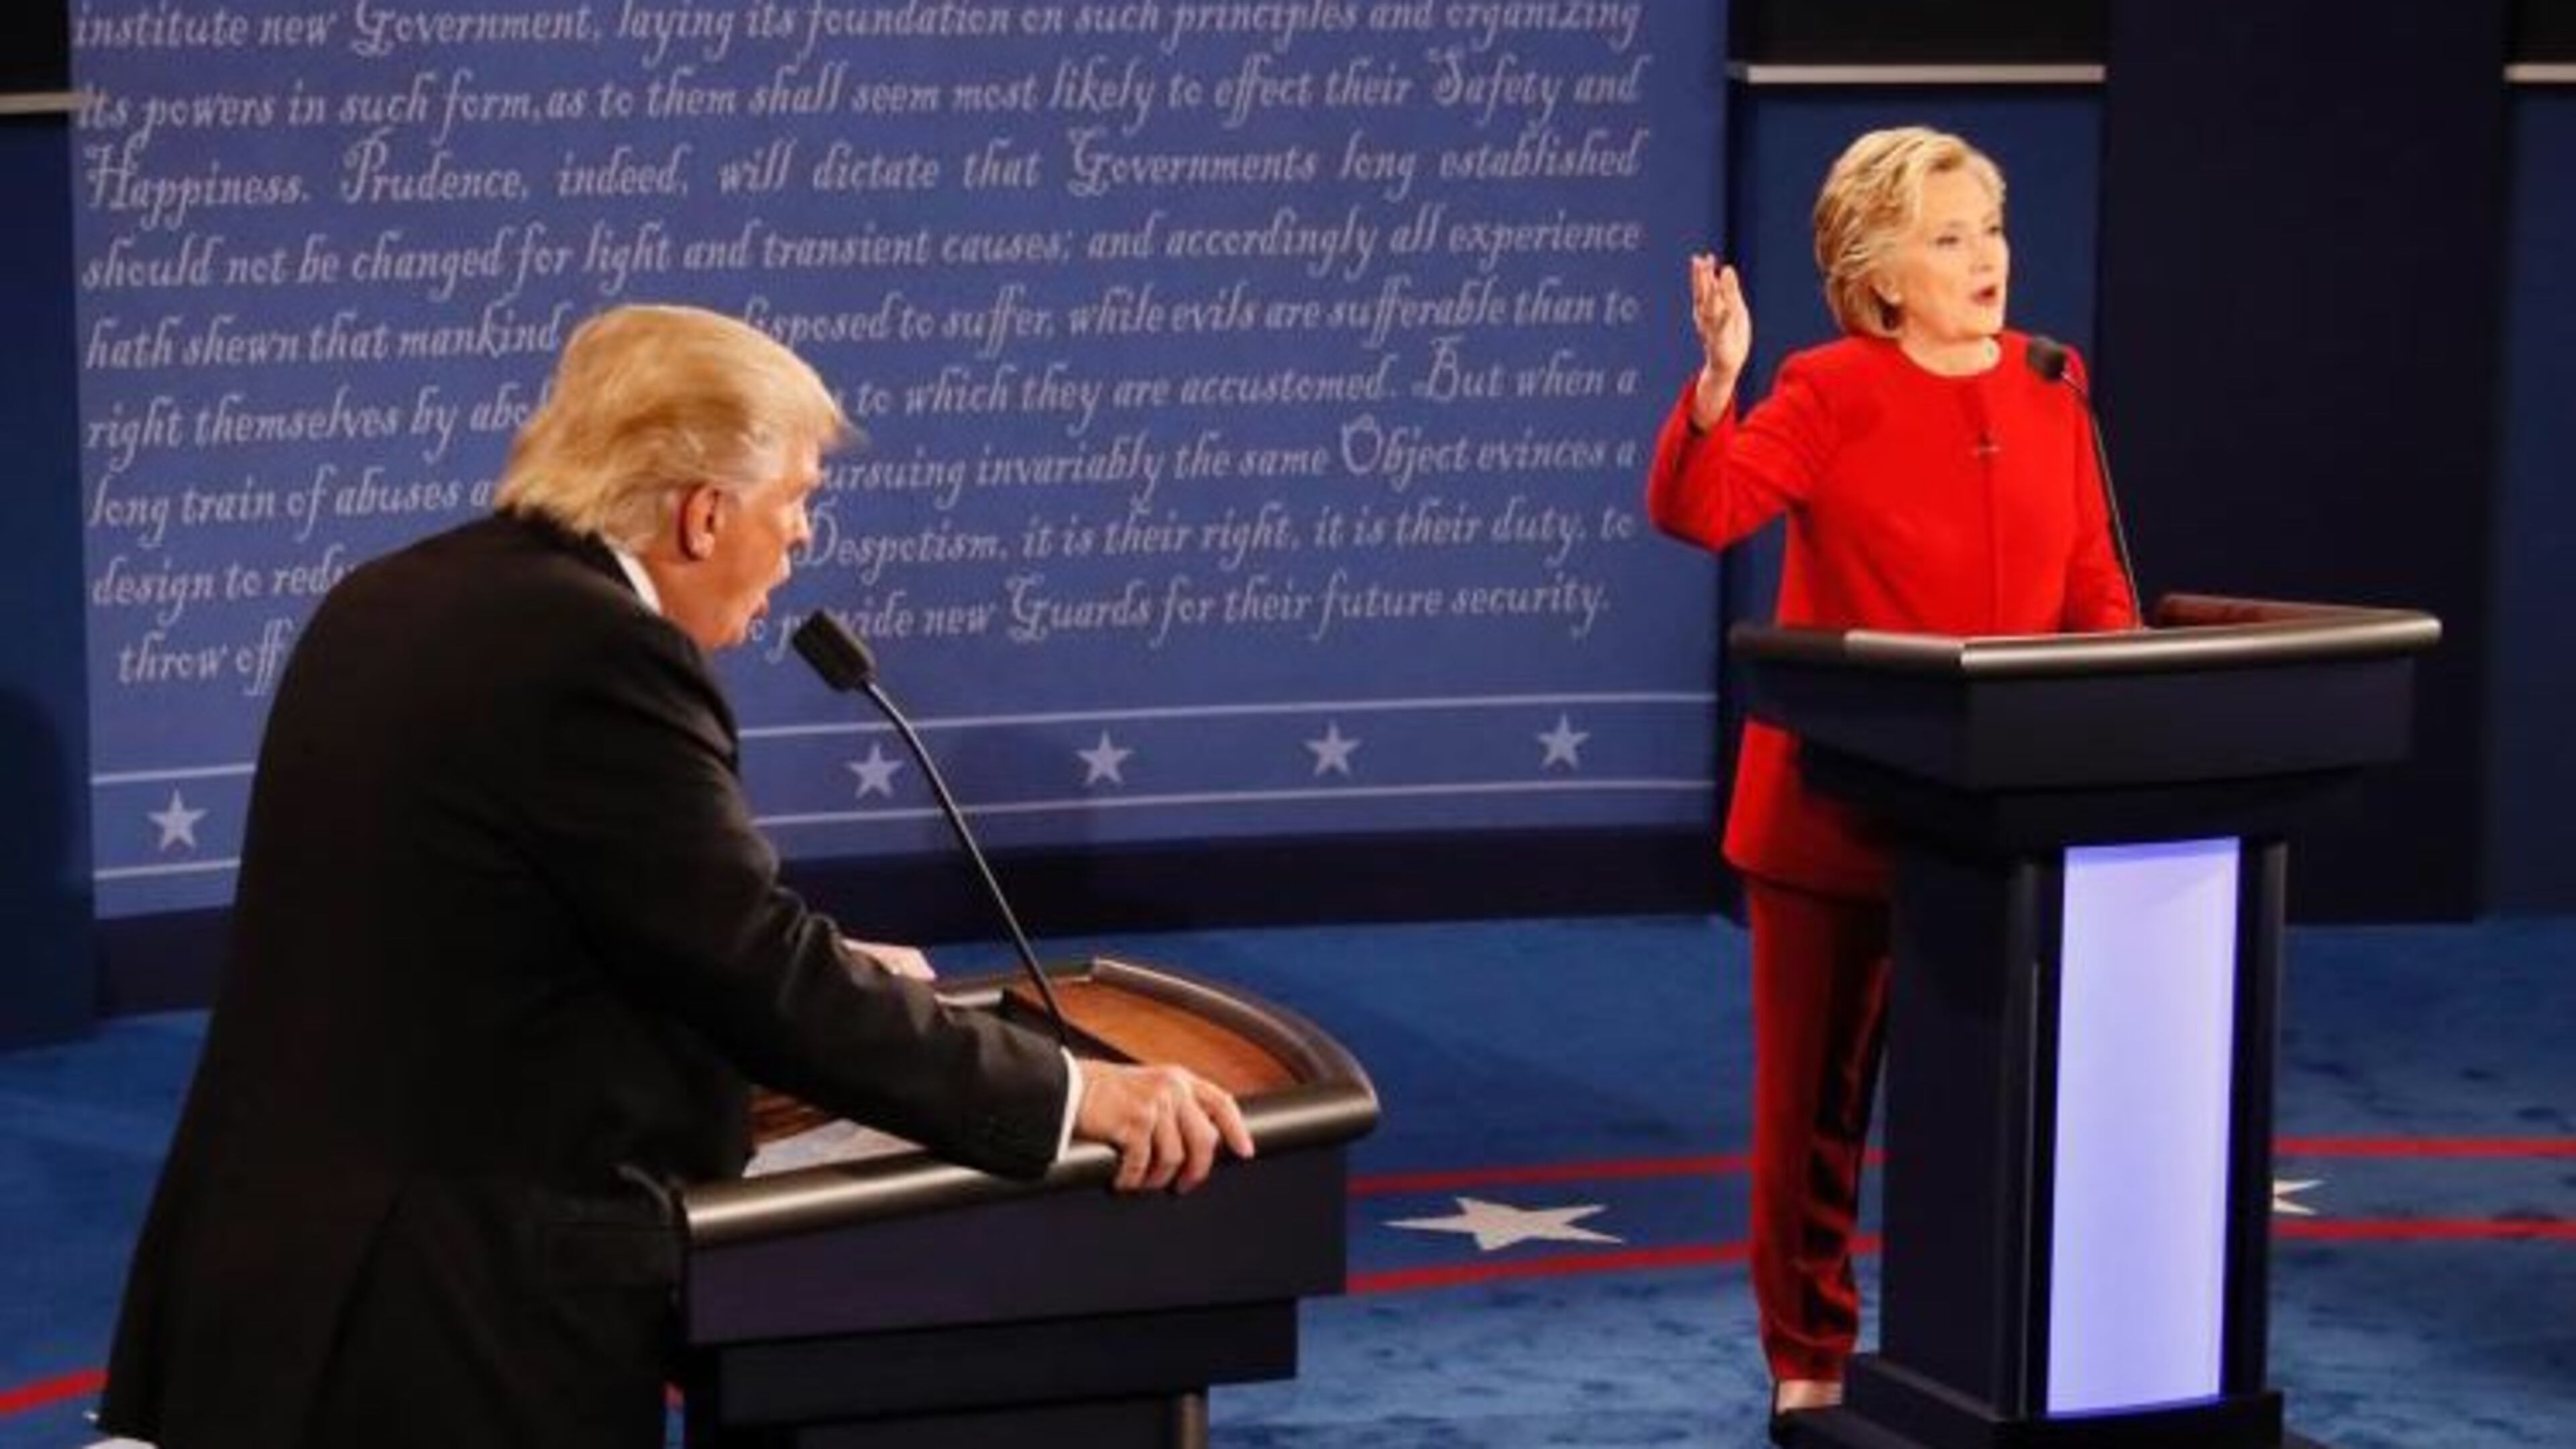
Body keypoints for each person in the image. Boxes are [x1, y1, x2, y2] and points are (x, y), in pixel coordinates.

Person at [99, 304, 1254, 1449]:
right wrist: (1071, 1094)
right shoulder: (597, 655)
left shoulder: (401, 596)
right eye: (796, 501)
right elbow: (755, 971)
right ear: (706, 515)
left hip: (276, 1269)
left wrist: (812, 964)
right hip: (444, 1313)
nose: (802, 539)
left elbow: (509, 922)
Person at [1642, 127, 2137, 1428]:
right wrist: (1717, 386)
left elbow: (2091, 585)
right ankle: (1808, 1366)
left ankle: (2000, 1350)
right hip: (1836, 821)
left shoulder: (2051, 383)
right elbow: (1707, 512)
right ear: (1879, 272)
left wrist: (2144, 719)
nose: (1986, 258)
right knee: (1817, 1119)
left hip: (2010, 821)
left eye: (1991, 228)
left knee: (2008, 1102)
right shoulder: (1825, 389)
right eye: (1949, 236)